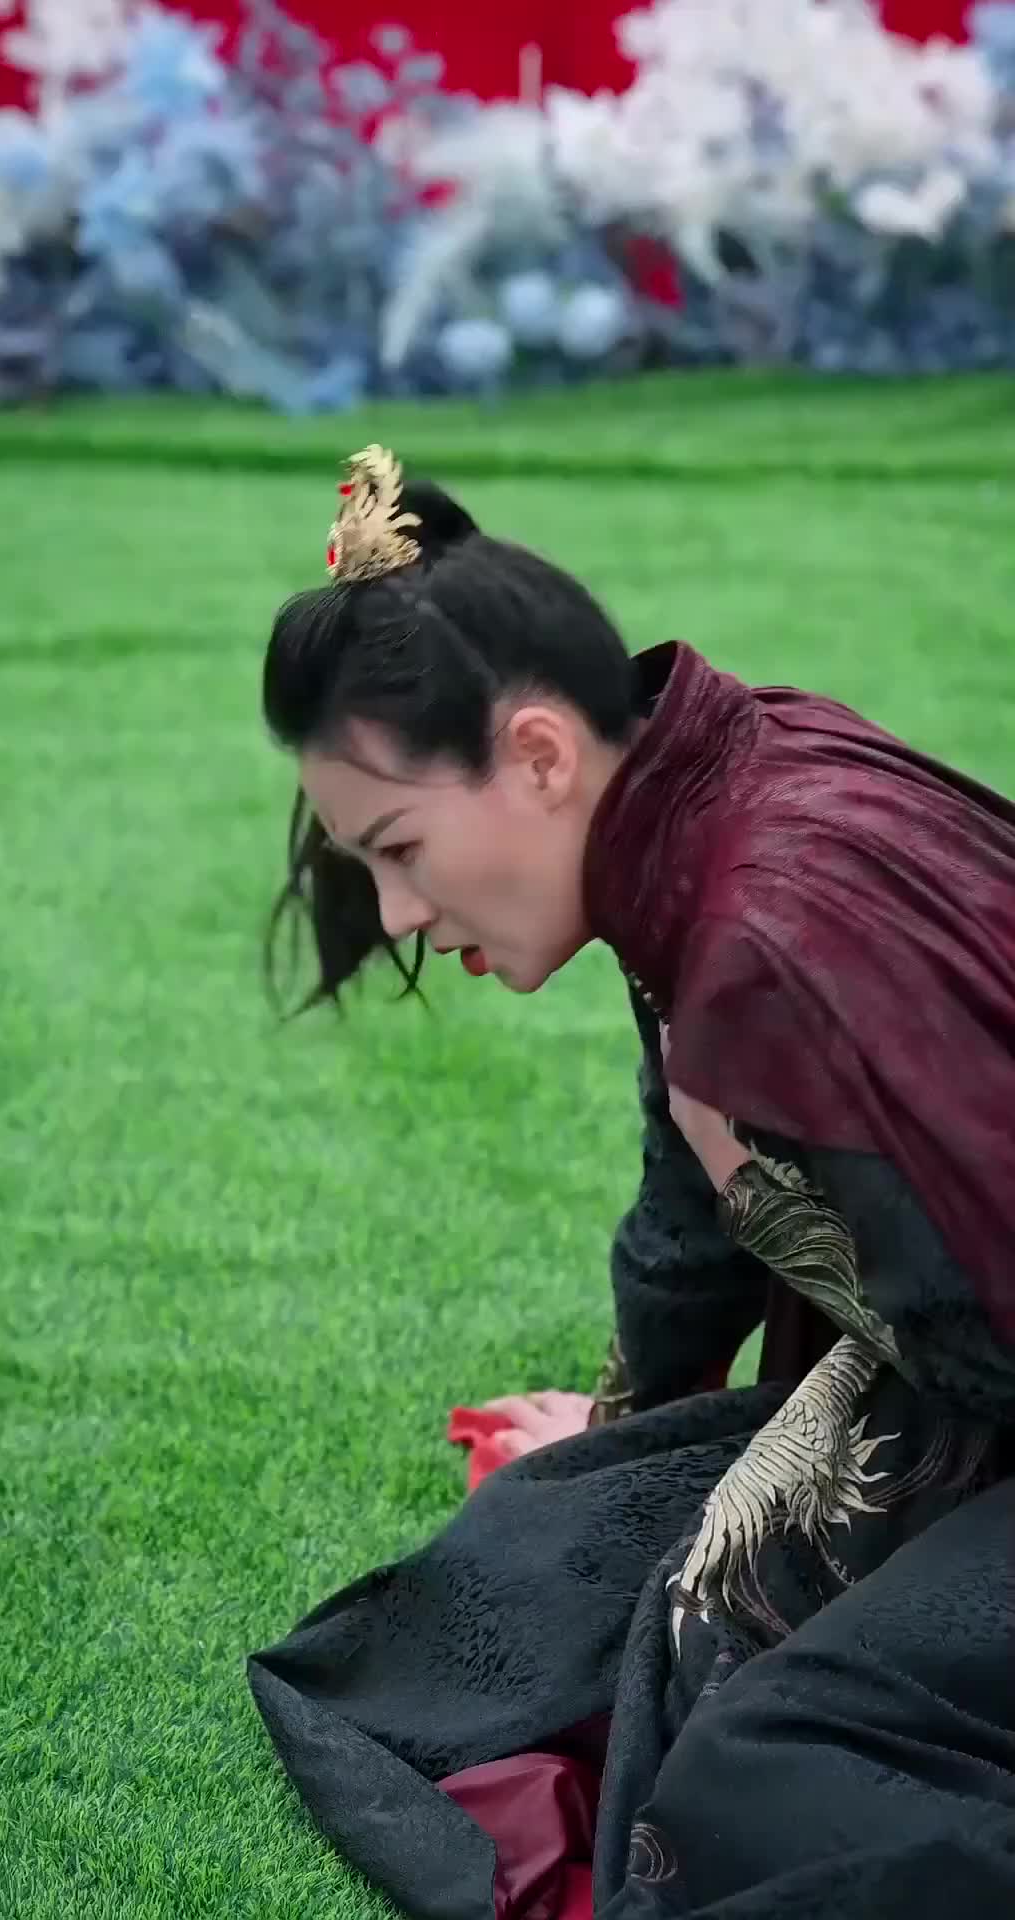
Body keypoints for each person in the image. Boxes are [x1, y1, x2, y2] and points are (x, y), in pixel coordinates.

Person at [248, 446, 1015, 1919]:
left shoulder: (772, 934)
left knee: (760, 1765)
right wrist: (625, 1431)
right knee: (559, 1552)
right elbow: (691, 1226)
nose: (395, 912)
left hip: (985, 1387)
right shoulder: (699, 801)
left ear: (539, 755)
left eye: (399, 848)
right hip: (957, 1384)